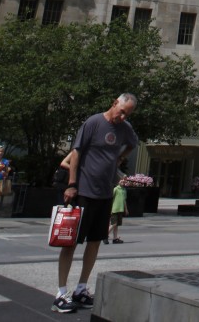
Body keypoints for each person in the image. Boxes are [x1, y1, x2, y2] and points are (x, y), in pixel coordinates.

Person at [54, 93, 138, 313]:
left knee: (95, 242)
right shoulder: (94, 122)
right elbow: (76, 153)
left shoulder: (125, 128)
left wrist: (120, 158)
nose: (123, 117)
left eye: (127, 114)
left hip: (104, 194)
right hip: (84, 191)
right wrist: (72, 184)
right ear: (114, 103)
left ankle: (81, 288)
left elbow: (132, 144)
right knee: (71, 243)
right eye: (122, 112)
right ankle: (61, 293)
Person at [109, 179, 127, 243]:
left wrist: (126, 209)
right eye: (121, 181)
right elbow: (111, 199)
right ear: (118, 182)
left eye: (124, 181)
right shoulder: (115, 189)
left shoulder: (124, 190)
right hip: (114, 209)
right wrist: (110, 209)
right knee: (114, 223)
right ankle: (104, 235)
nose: (122, 182)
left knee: (116, 225)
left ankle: (115, 238)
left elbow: (124, 200)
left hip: (120, 209)